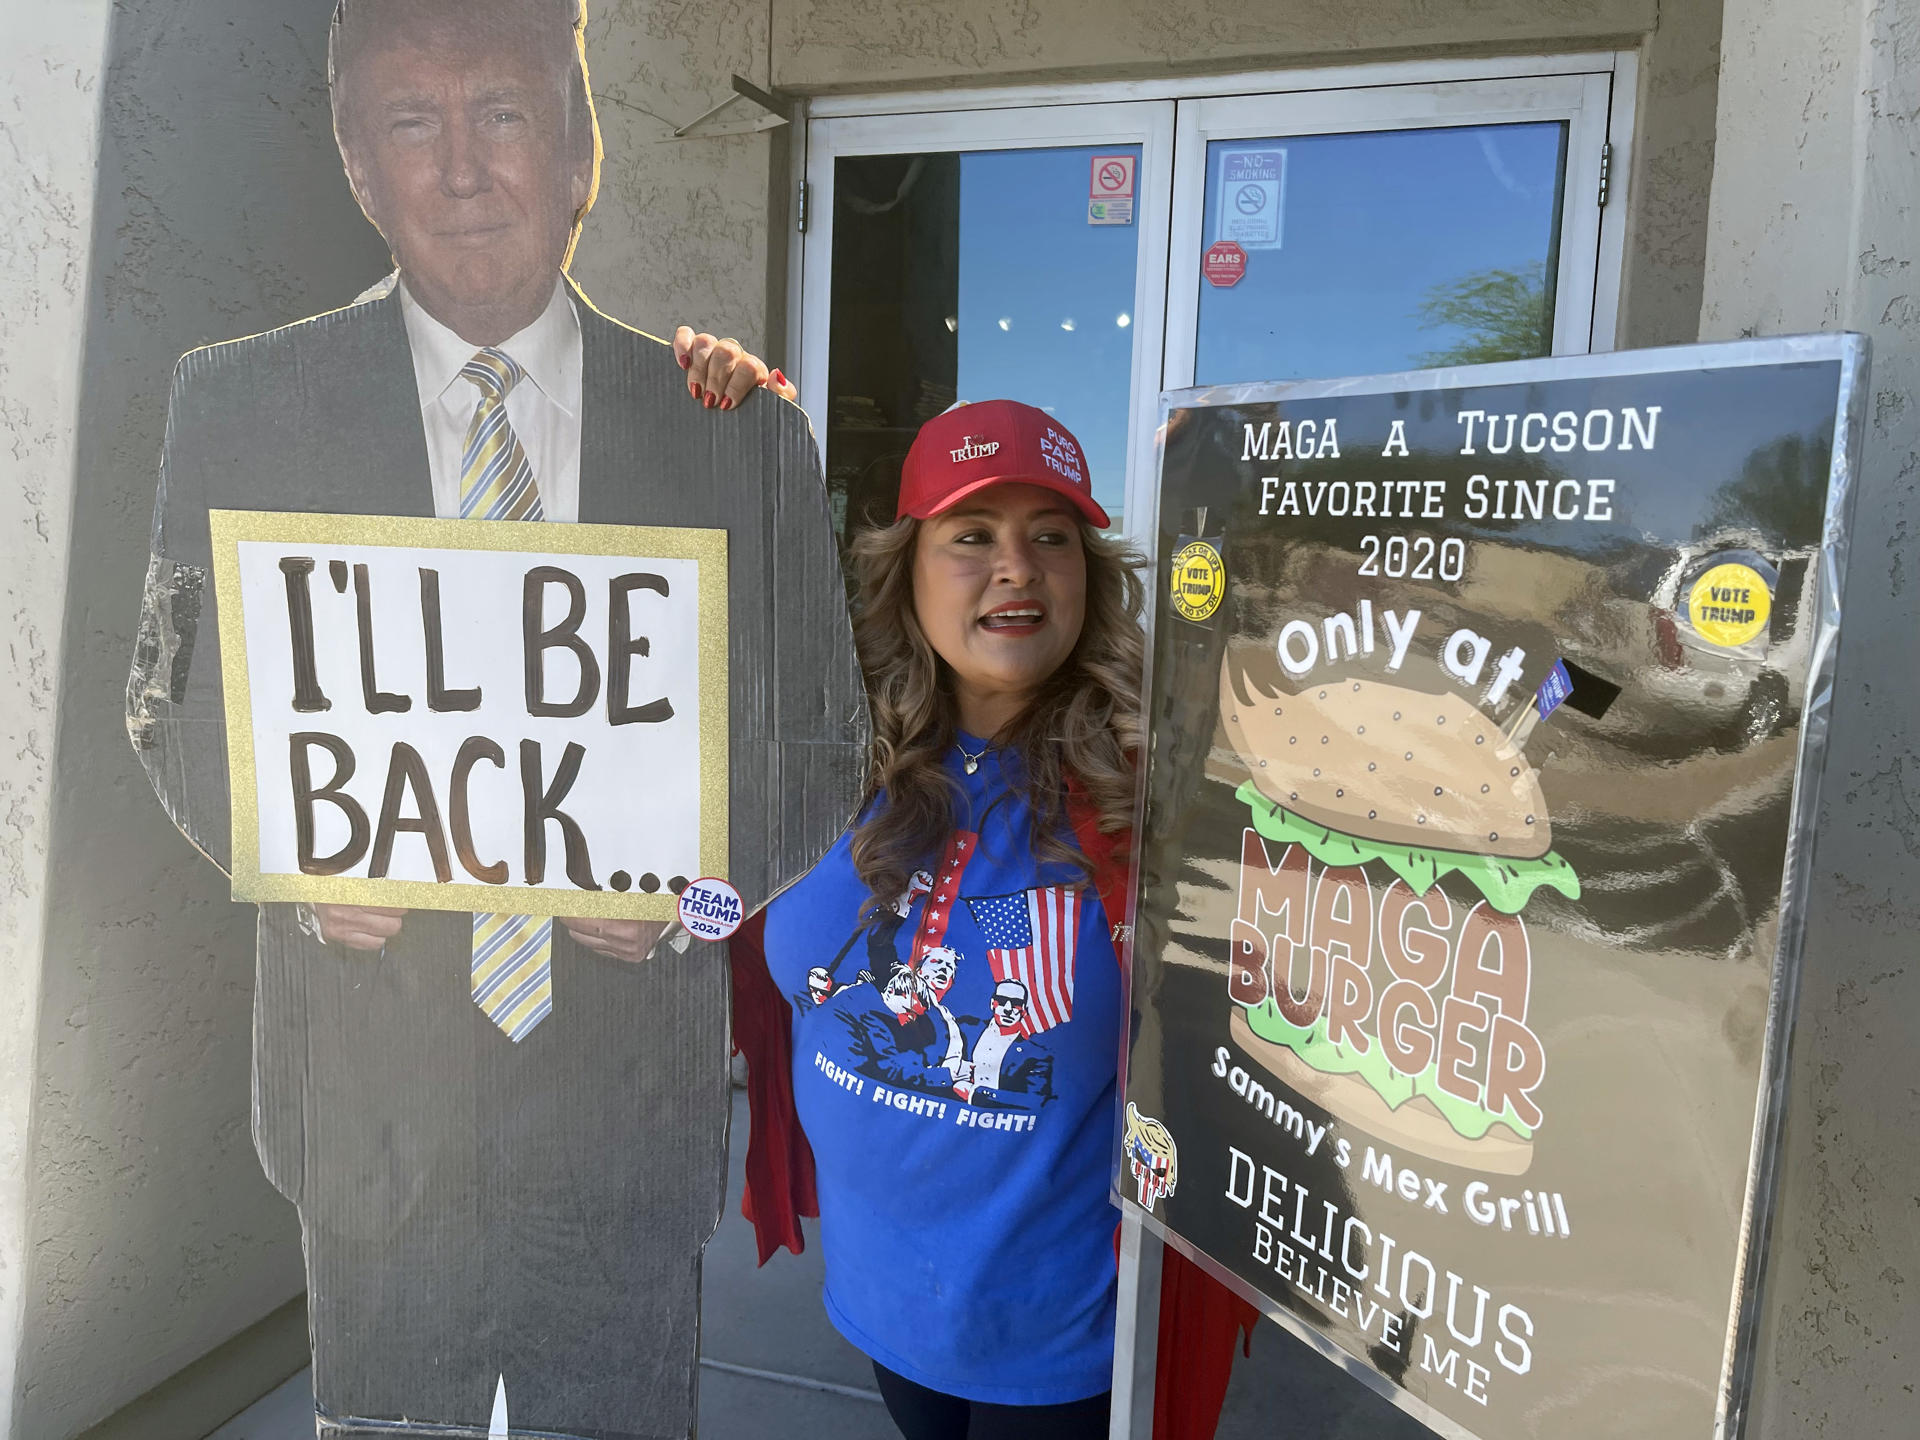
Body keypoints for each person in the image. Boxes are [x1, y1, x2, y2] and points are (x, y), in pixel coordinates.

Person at [124, 1, 863, 1436]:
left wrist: (696, 902)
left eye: (505, 115)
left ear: (582, 152)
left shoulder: (731, 428)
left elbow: (822, 750)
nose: (462, 167)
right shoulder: (238, 406)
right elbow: (169, 709)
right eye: (412, 122)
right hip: (366, 1113)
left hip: (625, 1124)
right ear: (356, 161)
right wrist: (291, 871)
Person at [739, 399, 1141, 1436]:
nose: (1018, 566)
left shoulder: (1150, 794)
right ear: (905, 571)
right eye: (973, 536)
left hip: (1059, 1333)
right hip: (880, 1297)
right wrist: (718, 403)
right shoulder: (822, 758)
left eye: (1051, 537)